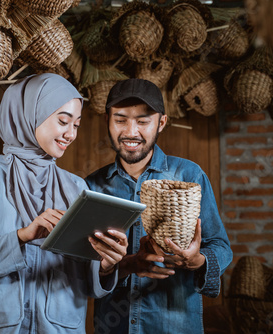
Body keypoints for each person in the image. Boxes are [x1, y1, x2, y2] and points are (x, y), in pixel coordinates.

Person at [0, 73, 128, 334]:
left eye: (77, 125)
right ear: (29, 115)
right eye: (63, 121)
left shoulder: (77, 189)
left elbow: (89, 284)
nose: (70, 134)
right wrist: (20, 238)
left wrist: (106, 266)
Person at [86, 78, 233, 334]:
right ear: (107, 120)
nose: (131, 132)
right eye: (120, 120)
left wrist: (197, 260)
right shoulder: (92, 186)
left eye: (143, 121)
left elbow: (220, 247)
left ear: (161, 123)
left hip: (175, 325)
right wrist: (128, 265)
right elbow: (80, 270)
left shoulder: (190, 175)